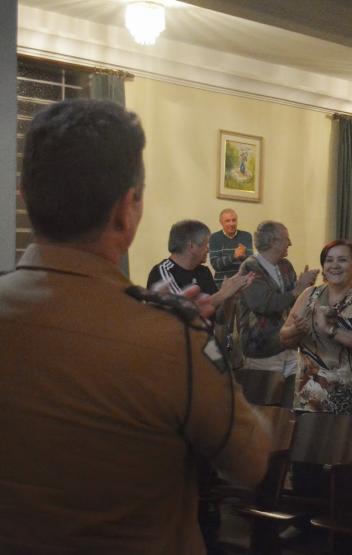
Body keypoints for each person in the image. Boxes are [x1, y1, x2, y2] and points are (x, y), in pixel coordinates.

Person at [0, 99, 270, 553]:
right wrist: (183, 335)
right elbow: (251, 458)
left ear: (25, 195)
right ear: (128, 209)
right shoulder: (173, 340)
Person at [279, 240, 352, 418]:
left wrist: (331, 330)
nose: (334, 265)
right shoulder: (309, 295)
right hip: (309, 400)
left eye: (342, 260)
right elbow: (283, 337)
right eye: (329, 260)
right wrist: (296, 330)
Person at [237, 221, 317, 377]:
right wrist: (297, 290)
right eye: (287, 239)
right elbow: (263, 304)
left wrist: (304, 287)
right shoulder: (250, 267)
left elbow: (293, 302)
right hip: (262, 350)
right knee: (263, 400)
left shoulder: (285, 265)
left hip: (288, 345)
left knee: (291, 397)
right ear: (273, 242)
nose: (290, 243)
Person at [147, 219, 252, 310]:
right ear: (191, 246)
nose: (208, 250)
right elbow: (186, 311)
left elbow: (220, 320)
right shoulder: (162, 272)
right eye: (206, 244)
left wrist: (229, 297)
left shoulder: (204, 272)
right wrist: (223, 293)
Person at [209, 208, 253, 289]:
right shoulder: (214, 237)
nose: (232, 223)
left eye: (234, 220)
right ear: (221, 222)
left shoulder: (246, 236)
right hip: (221, 284)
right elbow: (215, 265)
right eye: (227, 221)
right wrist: (234, 256)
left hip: (243, 283)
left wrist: (243, 257)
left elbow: (251, 264)